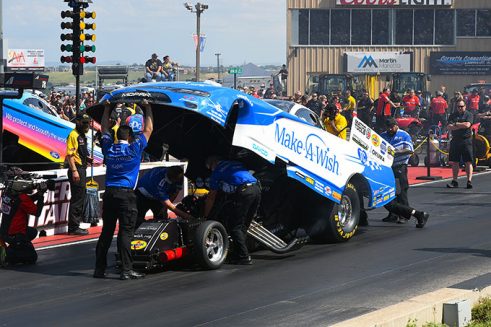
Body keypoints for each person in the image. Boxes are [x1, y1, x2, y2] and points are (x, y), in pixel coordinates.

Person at [94, 99, 153, 280]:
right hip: (126, 195)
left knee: (106, 232)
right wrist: (147, 107)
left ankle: (99, 269)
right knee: (126, 233)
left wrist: (107, 109)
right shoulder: (135, 149)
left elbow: (103, 129)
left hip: (110, 194)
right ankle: (126, 270)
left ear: (117, 135)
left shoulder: (109, 148)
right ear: (129, 137)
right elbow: (148, 130)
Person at [204, 156, 261, 265]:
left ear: (211, 165)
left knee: (234, 226)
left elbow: (211, 197)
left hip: (245, 192)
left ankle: (244, 256)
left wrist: (207, 219)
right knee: (243, 226)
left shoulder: (217, 171)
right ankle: (238, 253)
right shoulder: (234, 163)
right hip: (256, 190)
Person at [380, 118, 429, 228]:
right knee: (390, 190)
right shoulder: (383, 135)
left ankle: (404, 216)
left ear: (396, 125)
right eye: (388, 127)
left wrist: (395, 152)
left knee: (401, 190)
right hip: (387, 167)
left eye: (392, 126)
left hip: (400, 165)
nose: (390, 129)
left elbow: (410, 150)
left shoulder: (404, 135)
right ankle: (392, 214)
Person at [0, 181, 46, 265]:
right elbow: (37, 212)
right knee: (32, 258)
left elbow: (27, 200)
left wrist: (39, 193)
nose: (28, 186)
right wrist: (41, 196)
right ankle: (7, 255)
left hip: (4, 231)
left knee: (33, 232)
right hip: (14, 234)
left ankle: (17, 246)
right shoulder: (22, 198)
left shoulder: (6, 195)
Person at [66, 113, 92, 235]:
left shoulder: (81, 135)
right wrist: (74, 171)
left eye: (88, 122)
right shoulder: (73, 135)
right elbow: (69, 155)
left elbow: (79, 152)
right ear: (78, 122)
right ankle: (73, 227)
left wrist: (88, 159)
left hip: (82, 168)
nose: (86, 125)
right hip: (77, 169)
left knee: (80, 197)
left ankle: (75, 225)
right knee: (77, 198)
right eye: (84, 122)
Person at [446, 100, 474, 189]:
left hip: (466, 140)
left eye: (462, 106)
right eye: (458, 106)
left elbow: (467, 125)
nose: (460, 108)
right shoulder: (452, 115)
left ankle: (469, 181)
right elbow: (449, 127)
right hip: (455, 140)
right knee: (455, 162)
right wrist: (460, 125)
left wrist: (456, 124)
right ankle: (455, 181)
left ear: (465, 106)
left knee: (468, 161)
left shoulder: (469, 114)